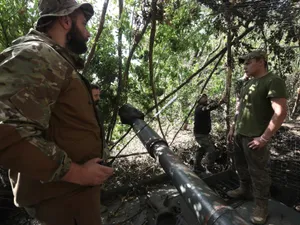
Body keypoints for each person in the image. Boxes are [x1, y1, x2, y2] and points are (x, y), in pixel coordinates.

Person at [0, 0, 114, 224]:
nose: (89, 34)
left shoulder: (54, 58)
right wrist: (79, 173)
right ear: (65, 20)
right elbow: (7, 128)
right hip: (62, 200)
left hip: (69, 196)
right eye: (83, 23)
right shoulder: (38, 53)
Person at [227, 50, 288, 225]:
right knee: (241, 166)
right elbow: (241, 107)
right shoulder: (249, 83)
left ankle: (261, 206)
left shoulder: (272, 81)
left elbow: (280, 112)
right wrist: (233, 127)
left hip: (255, 137)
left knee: (258, 173)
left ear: (261, 62)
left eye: (248, 62)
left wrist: (264, 138)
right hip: (240, 134)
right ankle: (244, 189)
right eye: (244, 63)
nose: (244, 66)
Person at [193, 94, 226, 173]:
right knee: (212, 151)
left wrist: (219, 102)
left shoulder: (203, 107)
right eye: (203, 98)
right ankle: (210, 167)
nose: (206, 99)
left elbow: (210, 106)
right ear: (199, 100)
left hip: (203, 134)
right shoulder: (200, 108)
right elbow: (208, 108)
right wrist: (220, 102)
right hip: (200, 135)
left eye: (206, 97)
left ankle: (197, 166)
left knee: (202, 149)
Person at [91, 84, 110, 161]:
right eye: (95, 96)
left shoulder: (97, 110)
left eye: (99, 95)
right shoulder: (83, 112)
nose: (98, 98)